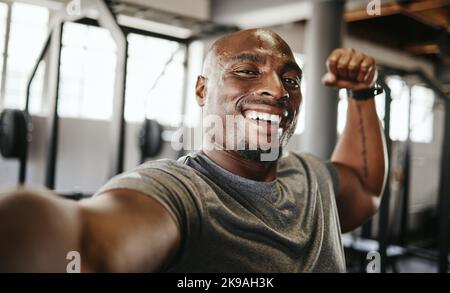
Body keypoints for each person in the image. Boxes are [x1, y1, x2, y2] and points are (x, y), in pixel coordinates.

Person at [0, 28, 387, 272]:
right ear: (203, 90)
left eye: (290, 79)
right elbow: (88, 244)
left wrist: (361, 93)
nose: (278, 90)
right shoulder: (178, 193)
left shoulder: (310, 174)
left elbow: (366, 189)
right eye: (247, 71)